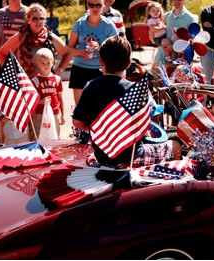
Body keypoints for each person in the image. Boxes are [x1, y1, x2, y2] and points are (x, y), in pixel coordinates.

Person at [72, 35, 181, 167]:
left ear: (101, 61)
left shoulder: (90, 86)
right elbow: (148, 124)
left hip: (103, 157)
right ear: (129, 63)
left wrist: (97, 130)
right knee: (175, 146)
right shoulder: (136, 91)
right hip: (133, 157)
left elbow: (77, 121)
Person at [0, 3, 71, 79]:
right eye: (35, 18)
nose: (38, 21)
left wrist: (59, 71)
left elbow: (68, 53)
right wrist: (13, 73)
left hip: (47, 85)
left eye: (41, 18)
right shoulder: (20, 37)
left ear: (45, 20)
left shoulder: (50, 37)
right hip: (26, 85)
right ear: (28, 20)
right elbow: (1, 54)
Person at [68, 0, 118, 104]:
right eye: (92, 5)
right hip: (80, 68)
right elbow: (69, 49)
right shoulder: (79, 24)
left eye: (98, 5)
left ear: (102, 5)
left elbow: (115, 50)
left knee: (100, 106)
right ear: (87, 5)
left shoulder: (109, 25)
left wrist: (100, 48)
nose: (95, 8)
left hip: (100, 69)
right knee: (80, 107)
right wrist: (81, 52)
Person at [0, 0, 27, 147]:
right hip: (4, 67)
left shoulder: (28, 13)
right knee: (5, 109)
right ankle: (3, 143)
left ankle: (23, 142)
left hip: (24, 68)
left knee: (23, 108)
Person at [31, 47, 64, 140]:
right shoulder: (35, 81)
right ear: (37, 64)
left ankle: (54, 153)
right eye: (43, 63)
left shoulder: (57, 79)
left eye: (48, 63)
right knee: (38, 136)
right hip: (39, 114)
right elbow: (31, 101)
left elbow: (60, 98)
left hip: (54, 113)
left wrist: (63, 115)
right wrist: (41, 101)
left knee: (55, 136)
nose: (46, 65)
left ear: (53, 62)